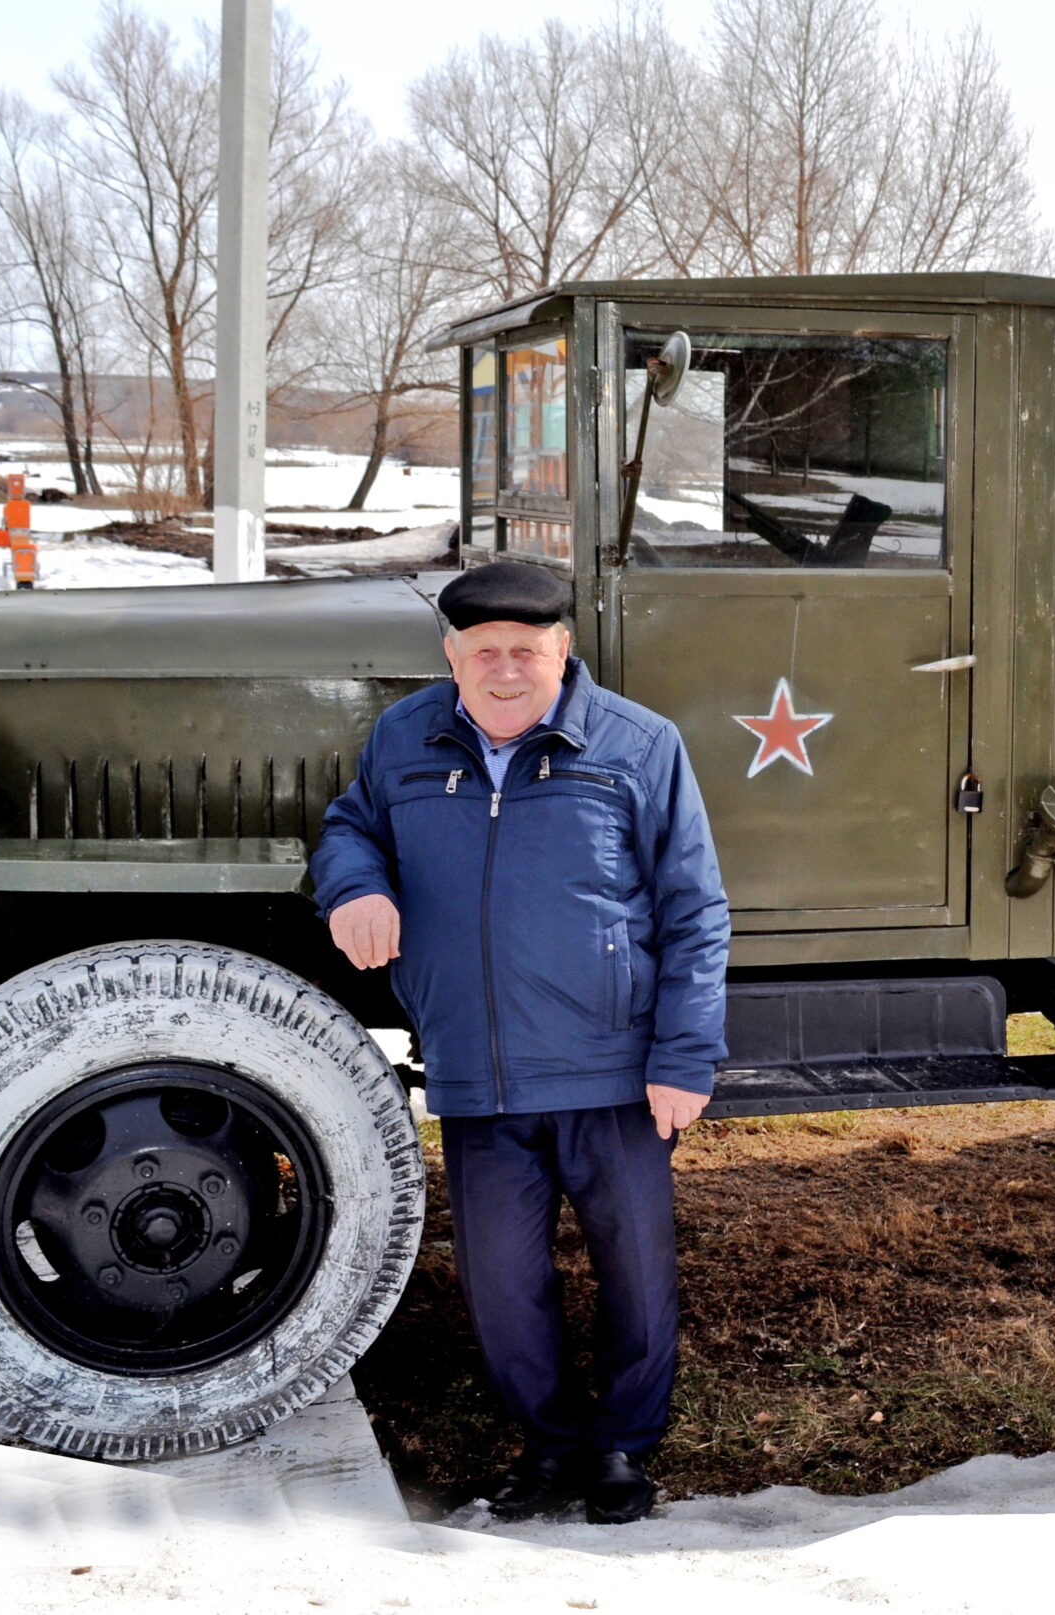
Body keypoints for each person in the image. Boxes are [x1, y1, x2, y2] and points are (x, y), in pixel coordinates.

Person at [313, 559, 730, 1523]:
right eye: (485, 652)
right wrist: (357, 885)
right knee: (502, 1285)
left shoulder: (638, 744)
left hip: (612, 1071)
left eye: (527, 652)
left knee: (636, 1268)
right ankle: (548, 1443)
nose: (506, 672)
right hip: (476, 1069)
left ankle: (623, 1445)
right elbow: (348, 828)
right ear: (452, 656)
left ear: (563, 651)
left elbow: (694, 908)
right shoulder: (403, 735)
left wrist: (682, 1055)